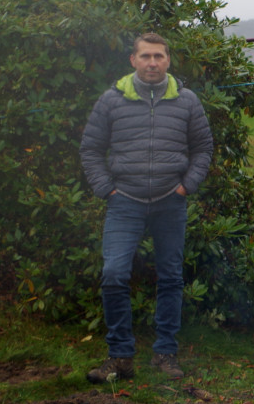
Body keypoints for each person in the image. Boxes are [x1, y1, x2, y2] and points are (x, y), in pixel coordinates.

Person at [80, 32, 213, 382]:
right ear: (133, 61)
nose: (152, 63)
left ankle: (165, 354)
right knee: (113, 276)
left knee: (170, 278)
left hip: (172, 202)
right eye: (145, 57)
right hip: (124, 202)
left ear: (168, 60)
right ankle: (120, 356)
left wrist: (187, 186)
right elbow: (91, 149)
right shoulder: (111, 100)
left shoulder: (187, 101)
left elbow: (203, 149)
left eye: (158, 56)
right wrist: (106, 189)